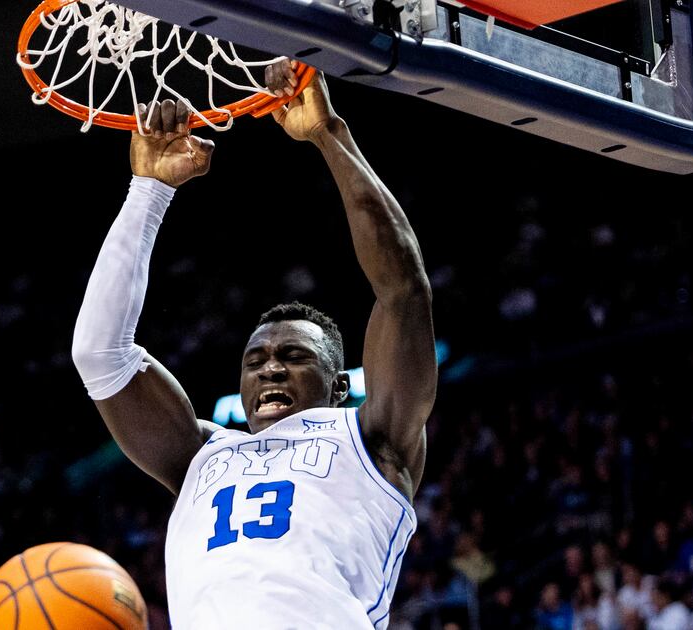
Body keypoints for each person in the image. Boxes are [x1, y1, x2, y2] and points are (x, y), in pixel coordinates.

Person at [71, 60, 435, 629]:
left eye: (294, 357)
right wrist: (148, 192)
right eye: (255, 361)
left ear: (340, 387)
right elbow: (98, 355)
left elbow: (403, 290)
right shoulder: (200, 455)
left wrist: (329, 134)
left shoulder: (373, 437)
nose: (269, 370)